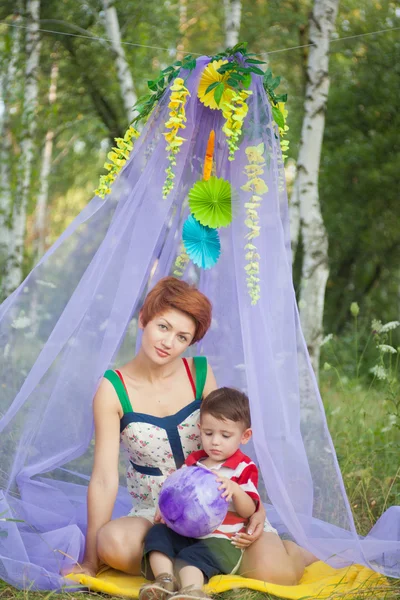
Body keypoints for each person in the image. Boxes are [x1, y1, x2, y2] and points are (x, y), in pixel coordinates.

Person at [66, 276, 314, 585]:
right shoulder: (112, 389)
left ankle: (282, 550)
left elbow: (228, 441)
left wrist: (255, 506)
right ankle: (197, 565)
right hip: (157, 512)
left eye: (182, 337)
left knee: (281, 575)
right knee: (113, 546)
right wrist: (91, 561)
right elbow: (104, 479)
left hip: (218, 508)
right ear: (144, 319)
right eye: (163, 327)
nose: (169, 343)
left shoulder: (199, 373)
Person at [138, 387, 263, 600]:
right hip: (187, 533)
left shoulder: (244, 467)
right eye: (208, 433)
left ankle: (192, 591)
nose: (215, 441)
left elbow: (249, 509)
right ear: (199, 429)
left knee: (191, 556)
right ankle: (164, 580)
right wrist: (165, 507)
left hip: (222, 542)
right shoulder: (194, 463)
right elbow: (177, 492)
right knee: (157, 534)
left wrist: (235, 490)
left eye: (225, 435)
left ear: (245, 436)